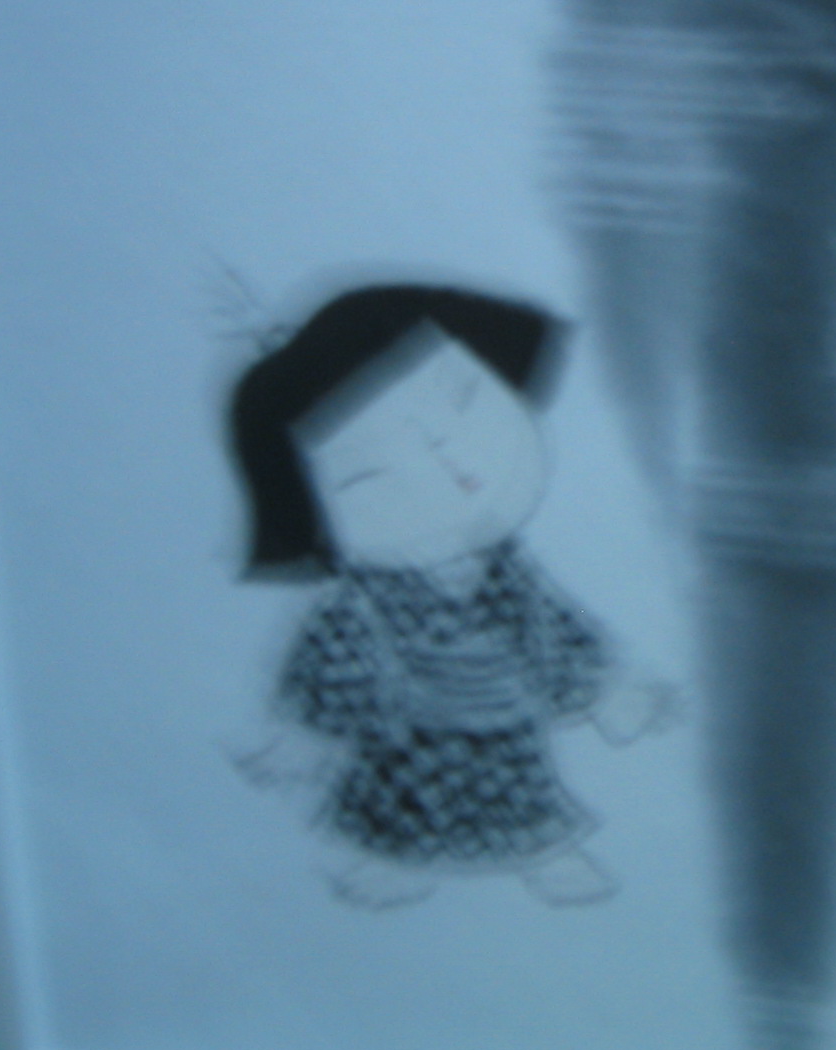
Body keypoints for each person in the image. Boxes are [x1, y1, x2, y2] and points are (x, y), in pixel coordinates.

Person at [227, 283, 671, 908]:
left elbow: (555, 629)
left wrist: (605, 692)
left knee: (524, 800)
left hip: (507, 731)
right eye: (375, 474)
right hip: (407, 738)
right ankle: (395, 864)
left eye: (465, 404)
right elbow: (333, 665)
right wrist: (302, 739)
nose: (456, 470)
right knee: (398, 811)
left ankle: (548, 856)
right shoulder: (364, 603)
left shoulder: (512, 576)